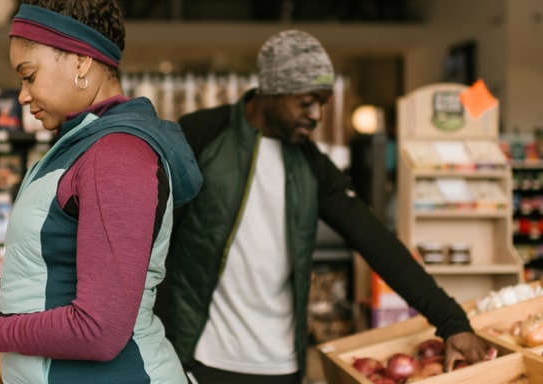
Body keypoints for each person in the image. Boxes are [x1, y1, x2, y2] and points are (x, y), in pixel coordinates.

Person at [0, 1, 202, 383]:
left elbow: (99, 330)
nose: (22, 95)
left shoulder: (117, 155)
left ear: (81, 61)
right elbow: (62, 291)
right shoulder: (79, 145)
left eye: (29, 76)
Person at [159, 29, 491, 384]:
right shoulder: (203, 134)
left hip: (282, 365)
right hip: (201, 358)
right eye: (307, 101)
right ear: (273, 89)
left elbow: (378, 243)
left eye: (323, 103)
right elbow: (153, 235)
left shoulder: (312, 166)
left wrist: (452, 322)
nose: (317, 115)